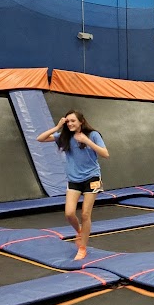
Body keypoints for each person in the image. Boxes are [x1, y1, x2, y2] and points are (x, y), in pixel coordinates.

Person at [37, 110, 109, 261]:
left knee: (85, 214)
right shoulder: (64, 137)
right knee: (69, 213)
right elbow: (40, 139)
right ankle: (80, 232)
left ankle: (82, 248)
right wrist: (57, 127)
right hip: (74, 179)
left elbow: (105, 154)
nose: (70, 124)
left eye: (73, 121)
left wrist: (87, 141)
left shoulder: (93, 135)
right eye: (68, 121)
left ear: (81, 122)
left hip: (92, 178)